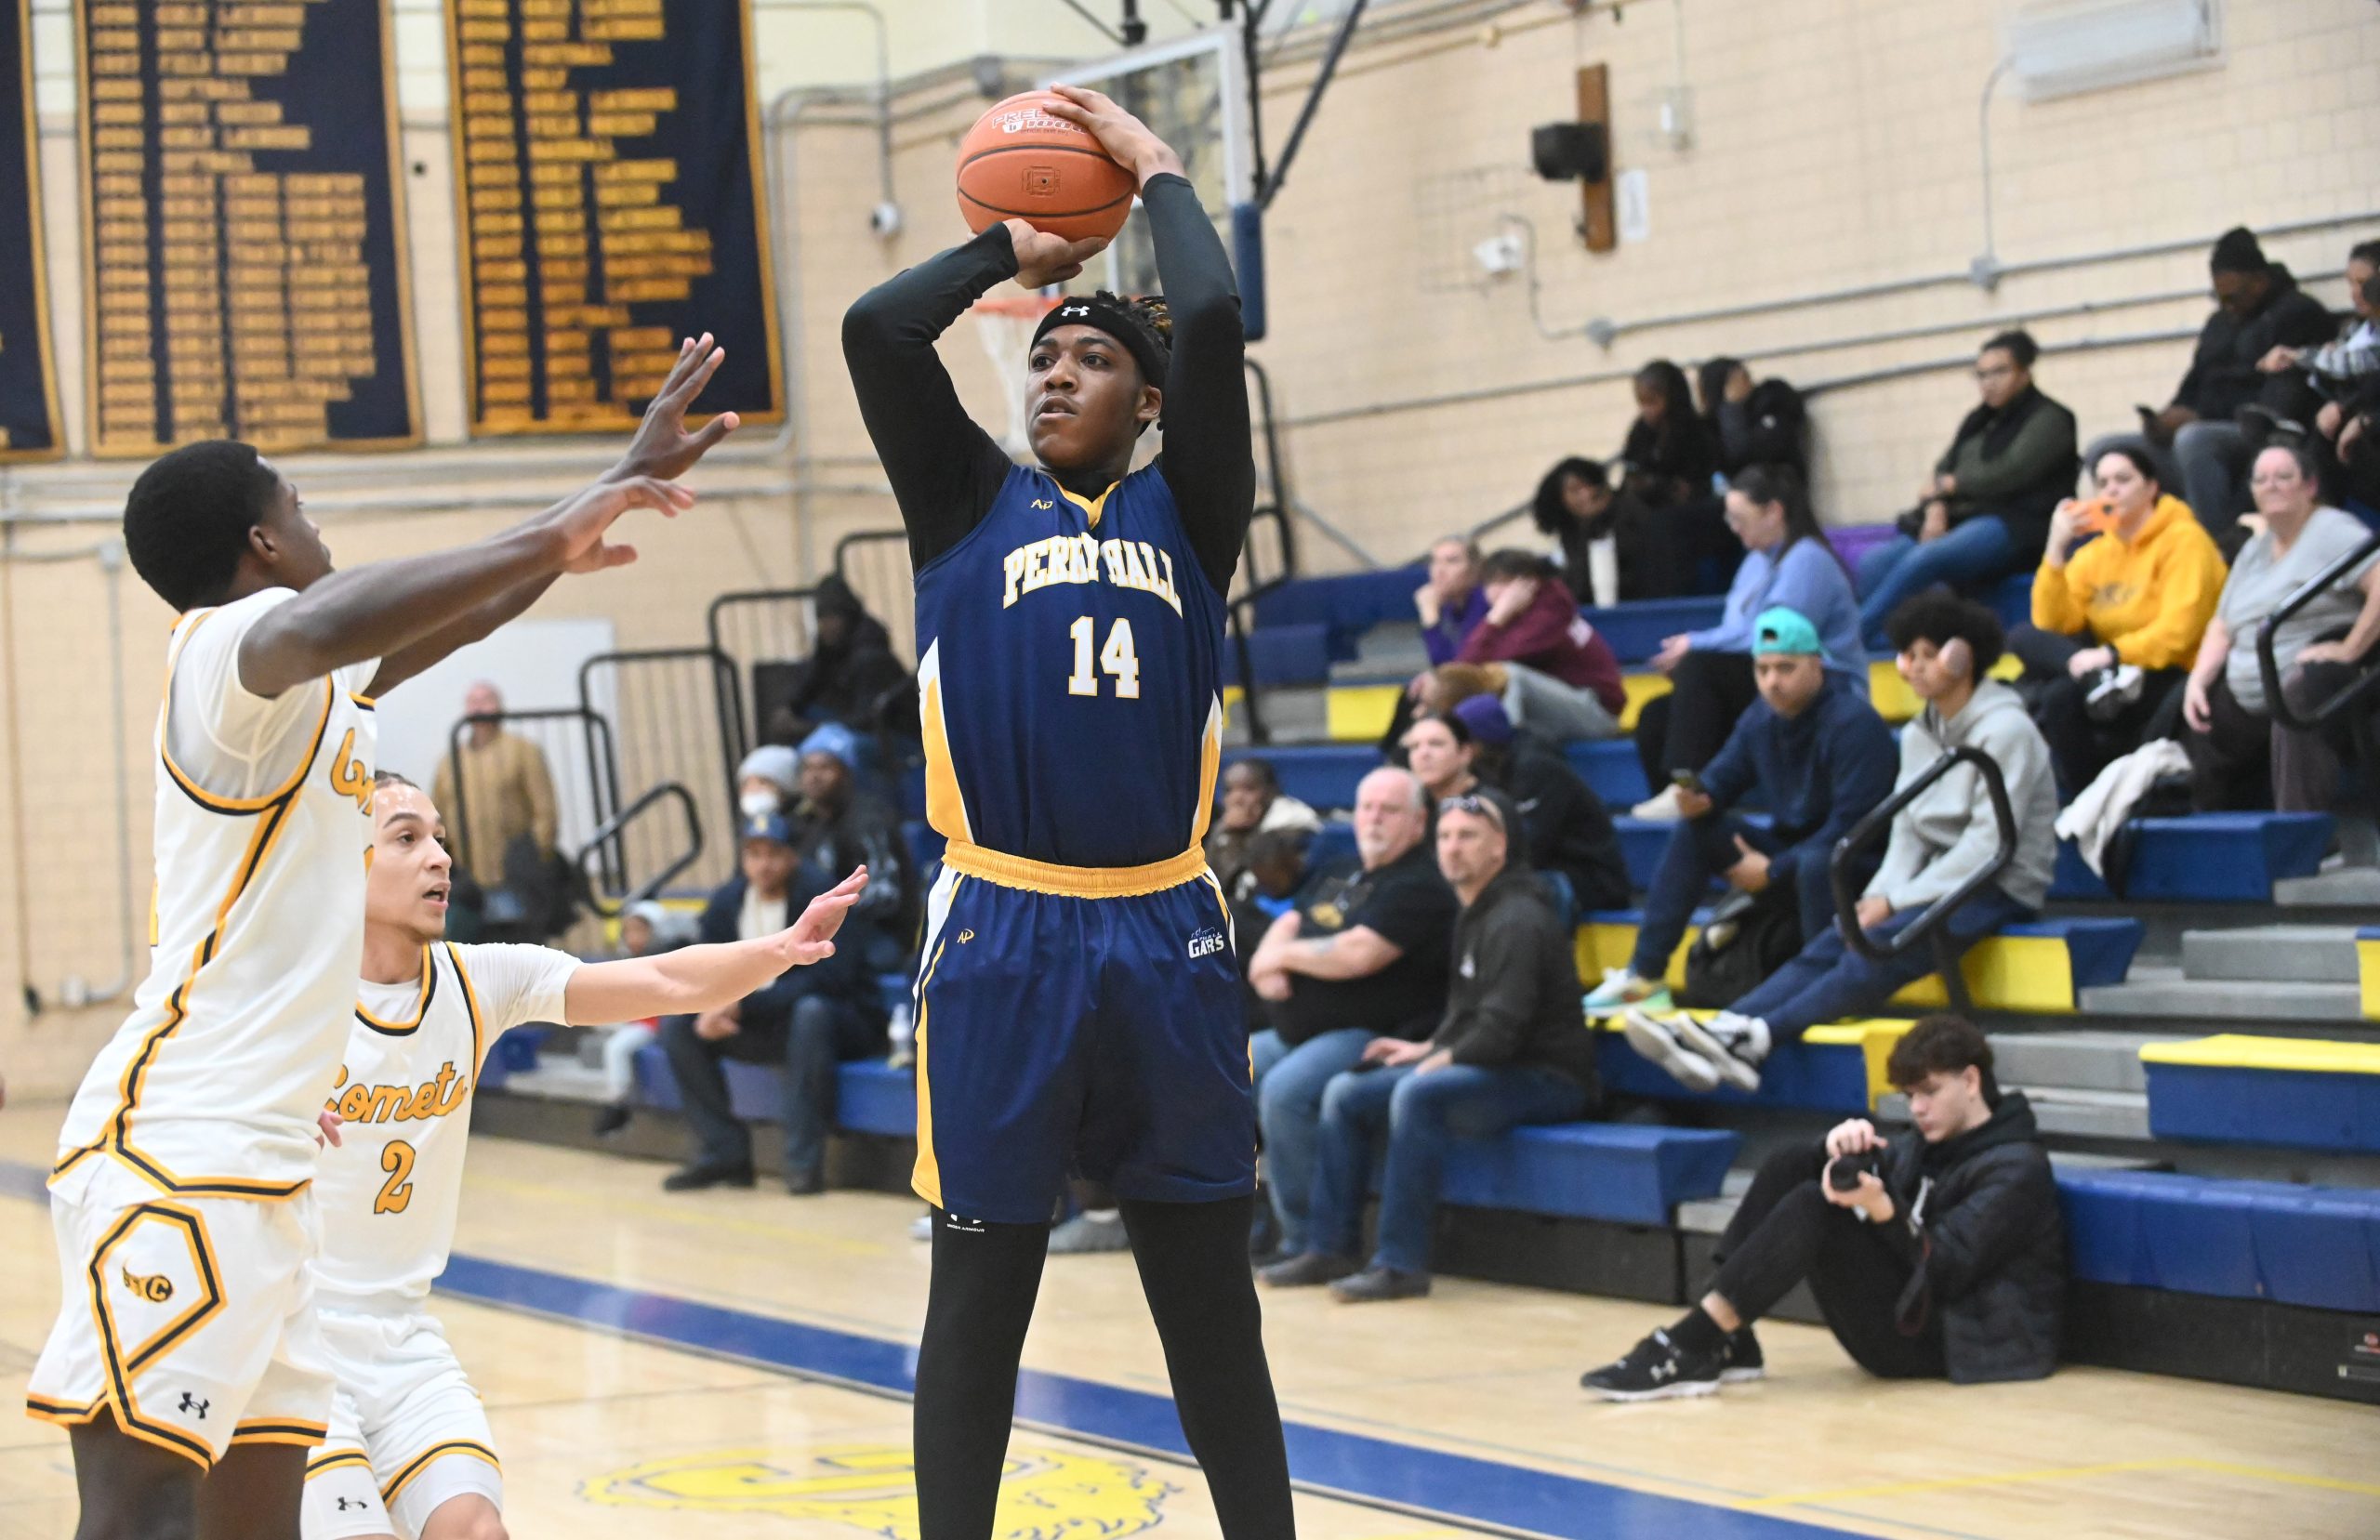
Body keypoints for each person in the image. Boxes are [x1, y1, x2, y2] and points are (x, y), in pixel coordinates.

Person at [26, 337, 734, 1534]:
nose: (315, 523)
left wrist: (602, 488)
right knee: (142, 1509)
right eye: (296, 505)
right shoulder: (222, 660)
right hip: (177, 1150)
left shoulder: (311, 695)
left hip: (270, 1180)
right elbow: (335, 618)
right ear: (262, 545)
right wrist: (565, 522)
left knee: (255, 1519)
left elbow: (447, 622)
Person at [840, 83, 1292, 1536]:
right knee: (979, 1301)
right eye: (1044, 362)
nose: (1054, 376)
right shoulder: (967, 505)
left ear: (1145, 407)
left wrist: (1156, 171)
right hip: (1005, 935)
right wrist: (1007, 256)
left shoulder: (1191, 513)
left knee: (1209, 1310)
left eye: (1091, 360)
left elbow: (1213, 319)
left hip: (1168, 934)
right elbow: (876, 333)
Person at [301, 775, 864, 1540]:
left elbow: (662, 978)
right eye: (407, 838)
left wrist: (780, 949)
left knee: (477, 1530)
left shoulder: (479, 980)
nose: (439, 857)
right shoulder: (291, 1003)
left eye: (440, 837)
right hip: (295, 1345)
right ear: (345, 862)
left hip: (402, 1341)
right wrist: (256, 1114)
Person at [1623, 596, 2057, 1095]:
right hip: (1936, 882)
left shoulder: (2007, 730)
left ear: (1963, 655)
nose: (1911, 666)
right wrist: (1882, 895)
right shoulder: (1921, 732)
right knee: (1839, 934)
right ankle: (1727, 1025)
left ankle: (1760, 1036)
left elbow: (1987, 846)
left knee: (1876, 948)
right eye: (1906, 653)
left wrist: (1895, 900)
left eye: (1925, 653)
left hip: (1998, 884)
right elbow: (1907, 830)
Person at [1580, 1015, 2063, 1399]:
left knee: (1815, 1206)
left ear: (1972, 1081)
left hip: (1959, 1343)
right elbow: (1878, 1194)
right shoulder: (1928, 1143)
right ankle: (1730, 1339)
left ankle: (1690, 1344)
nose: (1916, 1108)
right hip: (1914, 1312)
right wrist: (1837, 1148)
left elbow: (1948, 1269)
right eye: (1910, 1095)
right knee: (1798, 1162)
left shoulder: (2017, 1168)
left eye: (1930, 1092)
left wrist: (1882, 1210)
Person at [1262, 788, 1595, 1301]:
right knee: (1347, 1092)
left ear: (1499, 849)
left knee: (1417, 1094)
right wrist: (1426, 1047)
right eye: (1444, 837)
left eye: (1467, 837)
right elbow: (1467, 1013)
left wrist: (1438, 1059)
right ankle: (1328, 1247)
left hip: (1547, 1078)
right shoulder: (1475, 908)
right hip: (1494, 1062)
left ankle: (1401, 1263)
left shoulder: (1517, 918)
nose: (1452, 848)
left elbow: (1503, 1031)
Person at [1585, 608, 1897, 1017]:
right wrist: (1702, 797)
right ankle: (1646, 975)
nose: (1772, 682)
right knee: (1696, 831)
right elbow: (1723, 776)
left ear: (1816, 664)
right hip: (1791, 857)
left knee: (1819, 862)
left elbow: (1851, 830)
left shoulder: (1856, 725)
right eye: (1763, 669)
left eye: (1786, 668)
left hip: (1857, 869)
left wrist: (1771, 871)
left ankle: (1829, 990)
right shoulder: (1760, 717)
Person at [1245, 767, 1458, 1264]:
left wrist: (1283, 957)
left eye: (1389, 809)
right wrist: (1263, 961)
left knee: (1286, 1092)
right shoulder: (1342, 869)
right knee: (1229, 1070)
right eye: (1366, 807)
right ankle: (1251, 1222)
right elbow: (1290, 922)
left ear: (1417, 821)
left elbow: (1358, 954)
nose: (1374, 819)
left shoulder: (1420, 882)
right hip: (1300, 1030)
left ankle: (1310, 1241)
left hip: (1373, 1033)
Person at [657, 814, 885, 1195]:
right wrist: (708, 1007)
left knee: (810, 1012)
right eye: (753, 854)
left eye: (773, 853)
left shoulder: (821, 896)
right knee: (678, 1027)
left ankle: (802, 1165)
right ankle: (723, 1153)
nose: (763, 864)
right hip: (763, 1021)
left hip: (839, 1021)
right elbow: (707, 964)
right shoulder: (728, 901)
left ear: (793, 855)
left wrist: (740, 1006)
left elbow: (828, 978)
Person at [1632, 464, 1863, 821]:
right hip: (1769, 677)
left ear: (1774, 512)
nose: (1735, 529)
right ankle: (1684, 802)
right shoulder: (1753, 563)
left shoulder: (1808, 559)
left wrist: (1695, 644)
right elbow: (1736, 634)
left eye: (1741, 518)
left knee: (1701, 664)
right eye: (1730, 520)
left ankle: (1690, 789)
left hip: (1825, 684)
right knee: (1655, 715)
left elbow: (1775, 635)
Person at [2182, 441, 2380, 812]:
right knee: (2198, 709)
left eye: (2283, 477)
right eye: (2261, 479)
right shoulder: (2254, 549)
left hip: (2316, 680)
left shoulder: (2332, 530)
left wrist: (2349, 648)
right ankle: (2215, 840)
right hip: (2250, 691)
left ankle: (2300, 828)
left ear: (2309, 486)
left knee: (2297, 695)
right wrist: (2199, 679)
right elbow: (2222, 625)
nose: (2271, 485)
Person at [2016, 445, 2226, 795]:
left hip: (2170, 671)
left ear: (2152, 488)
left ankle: (2099, 679)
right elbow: (2052, 624)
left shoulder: (2185, 540)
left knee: (2058, 687)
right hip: (2111, 678)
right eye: (2102, 483)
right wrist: (2055, 548)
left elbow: (2181, 632)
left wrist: (2112, 655)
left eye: (2123, 480)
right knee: (2032, 652)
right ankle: (2088, 799)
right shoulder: (2096, 553)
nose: (2110, 490)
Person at [1856, 331, 2081, 646]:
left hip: (2017, 523)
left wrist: (1954, 484)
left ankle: (1854, 638)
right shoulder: (1977, 420)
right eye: (1981, 374)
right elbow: (1942, 468)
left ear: (2025, 373)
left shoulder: (2051, 419)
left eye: (1999, 372)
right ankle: (1891, 642)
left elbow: (2010, 473)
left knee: (1927, 558)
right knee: (1874, 562)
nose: (1988, 382)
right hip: (1964, 517)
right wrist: (1936, 507)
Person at [2119, 227, 2335, 532]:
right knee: (2111, 451)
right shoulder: (2219, 323)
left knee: (2193, 440)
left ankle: (2219, 549)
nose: (2227, 306)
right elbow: (2194, 381)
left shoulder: (2297, 315)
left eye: (2233, 297)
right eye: (2219, 299)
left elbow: (2276, 402)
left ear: (2259, 282)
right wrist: (2167, 417)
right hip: (2200, 427)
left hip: (2251, 432)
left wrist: (2198, 416)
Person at [1436, 698, 1632, 916]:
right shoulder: (1487, 770)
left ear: (1478, 741)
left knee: (1508, 891)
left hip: (1588, 878)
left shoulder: (1536, 769)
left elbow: (1530, 847)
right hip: (1547, 869)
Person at [1451, 549, 1627, 742]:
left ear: (1529, 583)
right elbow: (1465, 668)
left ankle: (1505, 753)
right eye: (1489, 584)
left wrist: (1496, 617)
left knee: (1508, 676)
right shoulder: (1512, 614)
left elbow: (1504, 657)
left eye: (1504, 582)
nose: (1495, 591)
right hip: (1561, 706)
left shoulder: (1551, 611)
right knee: (1449, 688)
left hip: (1596, 713)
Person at [788, 739, 915, 971]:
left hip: (879, 933)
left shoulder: (869, 819)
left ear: (846, 772)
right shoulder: (809, 823)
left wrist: (829, 919)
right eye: (808, 768)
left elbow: (884, 896)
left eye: (825, 767)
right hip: (828, 931)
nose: (815, 776)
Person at [1610, 360, 1731, 599]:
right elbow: (1631, 471)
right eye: (1641, 403)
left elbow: (1703, 481)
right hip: (1650, 505)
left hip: (1695, 511)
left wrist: (1661, 485)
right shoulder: (1640, 431)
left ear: (1672, 397)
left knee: (1660, 526)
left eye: (1652, 402)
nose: (1646, 411)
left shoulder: (1697, 430)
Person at [430, 681, 556, 902]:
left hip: (514, 872)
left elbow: (545, 809)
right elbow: (435, 814)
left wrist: (535, 855)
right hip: (464, 876)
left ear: (500, 707)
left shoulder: (523, 751)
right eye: (473, 702)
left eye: (486, 701)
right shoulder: (450, 762)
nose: (479, 709)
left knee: (516, 936)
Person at [590, 900, 702, 1139]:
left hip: (655, 1022)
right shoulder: (628, 959)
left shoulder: (668, 957)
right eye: (628, 931)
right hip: (636, 1018)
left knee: (616, 1047)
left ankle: (617, 1104)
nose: (633, 938)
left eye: (640, 931)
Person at [1205, 757, 1320, 902]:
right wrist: (1227, 834)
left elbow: (1270, 879)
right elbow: (1212, 882)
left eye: (1249, 789)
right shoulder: (1226, 827)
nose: (1237, 798)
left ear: (1271, 791)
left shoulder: (1294, 819)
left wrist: (1237, 835)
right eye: (1229, 790)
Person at [1696, 357, 1806, 479]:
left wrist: (1732, 407)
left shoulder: (1773, 404)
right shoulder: (1710, 427)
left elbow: (1743, 454)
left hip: (1774, 487)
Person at [1527, 457, 1616, 594]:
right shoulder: (1565, 540)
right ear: (1559, 500)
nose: (1587, 494)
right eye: (1575, 490)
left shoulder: (1624, 524)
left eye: (1590, 485)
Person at [1415, 534, 1489, 665]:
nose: (1439, 570)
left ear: (1476, 568)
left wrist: (1430, 614)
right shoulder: (1450, 605)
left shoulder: (1485, 601)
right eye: (1434, 562)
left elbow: (1451, 667)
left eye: (1452, 561)